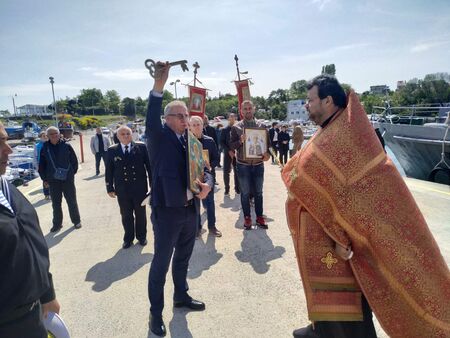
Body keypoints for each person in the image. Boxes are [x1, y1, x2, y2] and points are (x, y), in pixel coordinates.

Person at [282, 74, 450, 338]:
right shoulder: (331, 128)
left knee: (347, 296)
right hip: (321, 238)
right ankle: (321, 328)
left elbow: (355, 194)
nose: (306, 105)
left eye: (310, 100)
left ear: (327, 101)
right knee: (322, 289)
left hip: (340, 242)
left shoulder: (345, 134)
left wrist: (342, 235)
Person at [146, 62, 213, 337]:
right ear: (168, 118)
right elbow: (151, 116)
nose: (187, 119)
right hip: (167, 211)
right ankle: (155, 313)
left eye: (187, 114)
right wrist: (158, 87)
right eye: (181, 115)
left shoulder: (192, 142)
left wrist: (207, 186)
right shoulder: (159, 137)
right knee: (161, 263)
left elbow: (206, 170)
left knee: (183, 258)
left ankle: (181, 296)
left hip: (190, 209)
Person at [0, 122, 60, 337]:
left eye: (6, 139)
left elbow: (31, 242)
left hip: (34, 313)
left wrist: (47, 294)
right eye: (0, 142)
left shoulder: (6, 187)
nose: (9, 149)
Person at [105, 125, 151, 249]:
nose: (126, 136)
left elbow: (149, 168)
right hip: (122, 189)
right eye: (123, 134)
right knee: (126, 215)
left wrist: (153, 186)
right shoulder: (112, 150)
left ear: (132, 135)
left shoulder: (141, 147)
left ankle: (141, 236)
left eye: (128, 133)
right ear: (118, 136)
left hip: (139, 188)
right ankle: (128, 238)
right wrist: (109, 187)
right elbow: (109, 170)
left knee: (140, 214)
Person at [229, 100, 270, 230]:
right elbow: (231, 146)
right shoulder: (236, 127)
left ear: (254, 109)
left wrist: (267, 155)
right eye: (245, 108)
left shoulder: (262, 126)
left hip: (258, 164)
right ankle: (247, 217)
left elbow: (267, 146)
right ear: (241, 111)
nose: (247, 110)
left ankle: (259, 217)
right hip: (243, 165)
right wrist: (240, 141)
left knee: (258, 192)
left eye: (249, 108)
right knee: (245, 193)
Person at [38, 126, 81, 232]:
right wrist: (45, 179)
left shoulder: (66, 145)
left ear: (59, 134)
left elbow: (74, 161)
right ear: (47, 136)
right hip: (53, 180)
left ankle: (76, 221)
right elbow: (41, 165)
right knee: (56, 203)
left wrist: (71, 173)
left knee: (71, 201)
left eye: (55, 133)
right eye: (51, 134)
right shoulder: (45, 148)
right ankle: (57, 224)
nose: (54, 135)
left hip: (67, 179)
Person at [190, 116, 222, 238]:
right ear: (190, 127)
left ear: (203, 125)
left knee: (210, 203)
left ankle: (212, 227)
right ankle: (197, 228)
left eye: (198, 124)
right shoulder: (187, 143)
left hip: (208, 176)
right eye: (194, 125)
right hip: (193, 177)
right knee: (195, 204)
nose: (197, 127)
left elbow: (216, 158)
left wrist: (211, 166)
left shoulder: (210, 141)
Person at [220, 113, 240, 195]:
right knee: (226, 172)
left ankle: (237, 189)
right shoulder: (224, 130)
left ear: (235, 118)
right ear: (228, 118)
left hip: (237, 153)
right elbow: (221, 142)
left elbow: (240, 141)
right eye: (230, 117)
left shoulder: (238, 129)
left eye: (233, 117)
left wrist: (235, 150)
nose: (232, 118)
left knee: (237, 171)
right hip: (227, 152)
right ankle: (227, 189)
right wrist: (229, 150)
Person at [35, 131, 50, 200]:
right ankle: (46, 194)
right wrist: (37, 166)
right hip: (42, 166)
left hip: (49, 164)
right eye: (43, 136)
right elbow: (35, 156)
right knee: (45, 180)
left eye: (46, 136)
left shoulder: (50, 144)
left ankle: (52, 193)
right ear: (40, 137)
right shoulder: (37, 146)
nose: (45, 137)